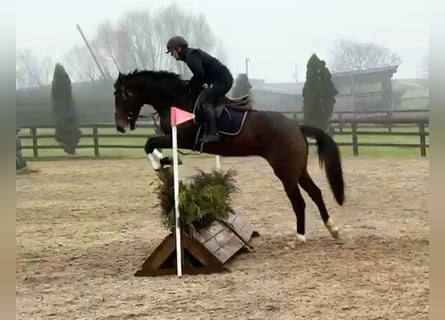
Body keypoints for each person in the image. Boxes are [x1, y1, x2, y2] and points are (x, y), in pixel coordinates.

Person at [166, 35, 234, 143]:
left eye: (171, 52)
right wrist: (190, 85)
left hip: (222, 80)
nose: (172, 55)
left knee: (205, 101)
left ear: (178, 49)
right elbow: (200, 76)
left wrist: (190, 86)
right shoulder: (190, 55)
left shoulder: (190, 56)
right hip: (217, 80)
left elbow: (200, 75)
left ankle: (213, 133)